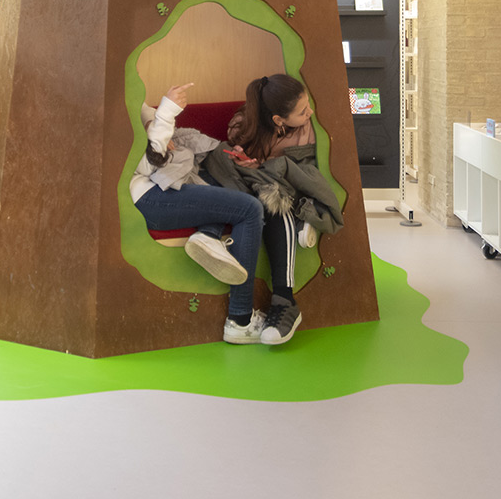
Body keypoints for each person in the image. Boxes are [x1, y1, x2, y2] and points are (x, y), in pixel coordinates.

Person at [207, 73, 345, 346]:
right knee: (236, 175)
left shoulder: (308, 129)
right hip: (253, 187)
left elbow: (305, 173)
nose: (310, 112)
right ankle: (209, 234)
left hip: (285, 187)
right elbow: (237, 158)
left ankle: (284, 300)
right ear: (278, 120)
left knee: (276, 200)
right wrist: (247, 162)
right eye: (302, 111)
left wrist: (266, 170)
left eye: (307, 105)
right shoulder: (244, 124)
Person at [130, 82, 269, 345]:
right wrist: (167, 112)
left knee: (218, 178)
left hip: (156, 189)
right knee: (250, 209)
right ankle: (240, 320)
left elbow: (142, 111)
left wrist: (152, 122)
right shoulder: (108, 108)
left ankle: (208, 235)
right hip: (151, 196)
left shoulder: (123, 96)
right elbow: (150, 160)